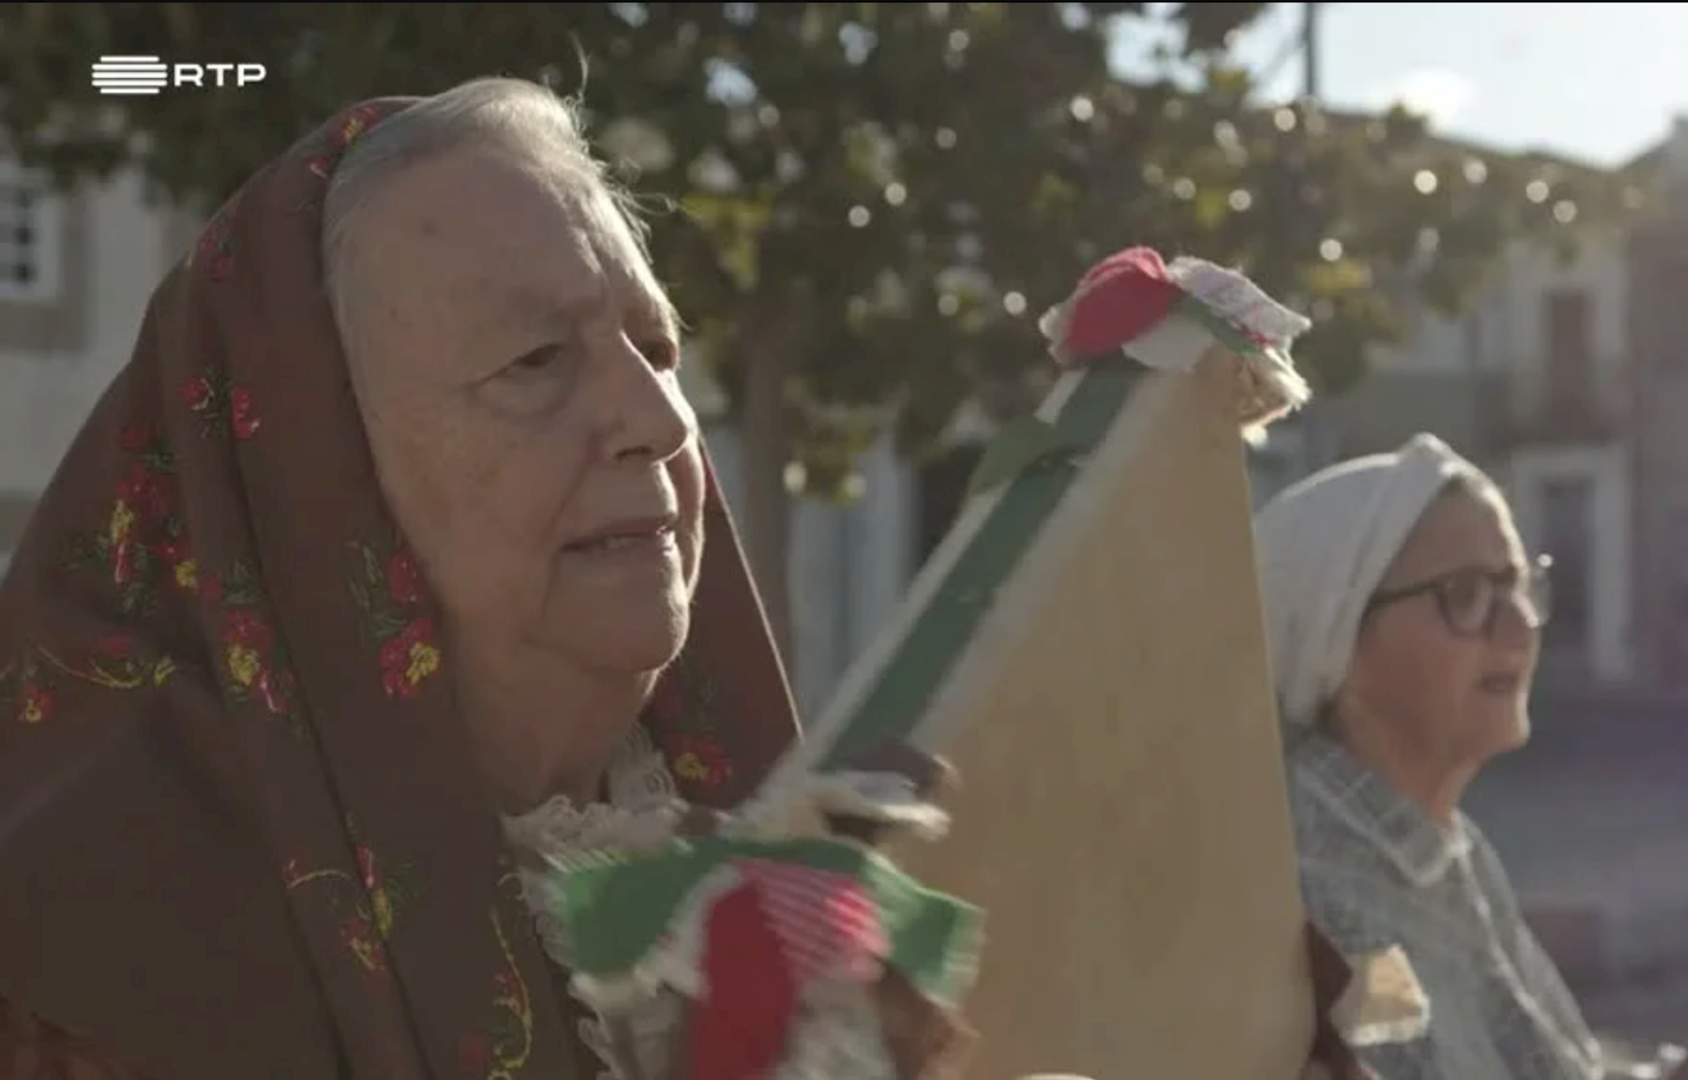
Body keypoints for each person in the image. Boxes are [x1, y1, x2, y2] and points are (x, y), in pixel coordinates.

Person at [0, 78, 983, 1080]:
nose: (660, 421)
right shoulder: (89, 983)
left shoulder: (803, 886)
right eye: (537, 360)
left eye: (656, 349)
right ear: (313, 478)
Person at [1252, 433, 1688, 1080]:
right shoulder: (1299, 900)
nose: (1521, 626)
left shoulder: (1446, 847)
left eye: (1520, 585)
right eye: (1466, 594)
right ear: (1334, 644)